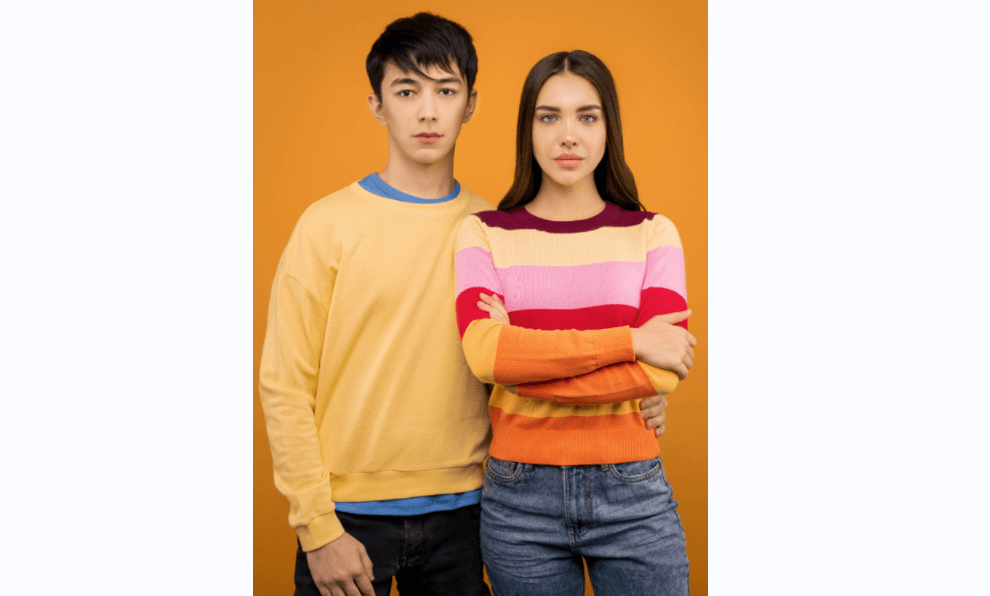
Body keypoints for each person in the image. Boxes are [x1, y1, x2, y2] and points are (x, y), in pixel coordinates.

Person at [258, 16, 677, 596]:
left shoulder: (491, 229)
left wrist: (639, 396)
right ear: (378, 105)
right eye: (406, 91)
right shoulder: (326, 226)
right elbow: (283, 384)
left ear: (471, 104)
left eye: (446, 92)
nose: (428, 112)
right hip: (347, 514)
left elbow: (532, 359)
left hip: (471, 511)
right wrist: (315, 526)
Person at [454, 50, 695, 595]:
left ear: (609, 127)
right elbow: (485, 358)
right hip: (518, 501)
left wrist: (524, 363)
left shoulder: (653, 234)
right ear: (528, 128)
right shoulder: (484, 233)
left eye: (587, 116)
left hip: (632, 492)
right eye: (549, 116)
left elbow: (659, 376)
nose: (568, 135)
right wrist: (633, 341)